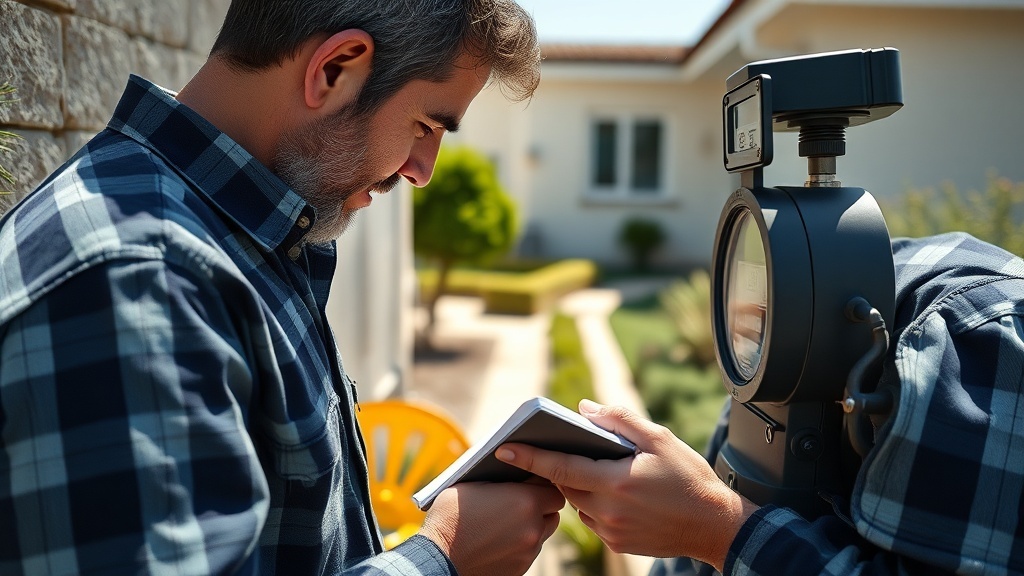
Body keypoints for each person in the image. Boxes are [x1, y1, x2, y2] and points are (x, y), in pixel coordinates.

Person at [0, 1, 566, 574]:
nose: (423, 169)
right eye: (425, 125)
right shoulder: (140, 283)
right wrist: (443, 559)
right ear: (335, 68)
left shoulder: (239, 238)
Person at [497, 231, 1024, 575]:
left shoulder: (978, 340)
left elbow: (713, 516)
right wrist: (692, 516)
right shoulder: (803, 307)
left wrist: (716, 527)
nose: (743, 332)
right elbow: (724, 478)